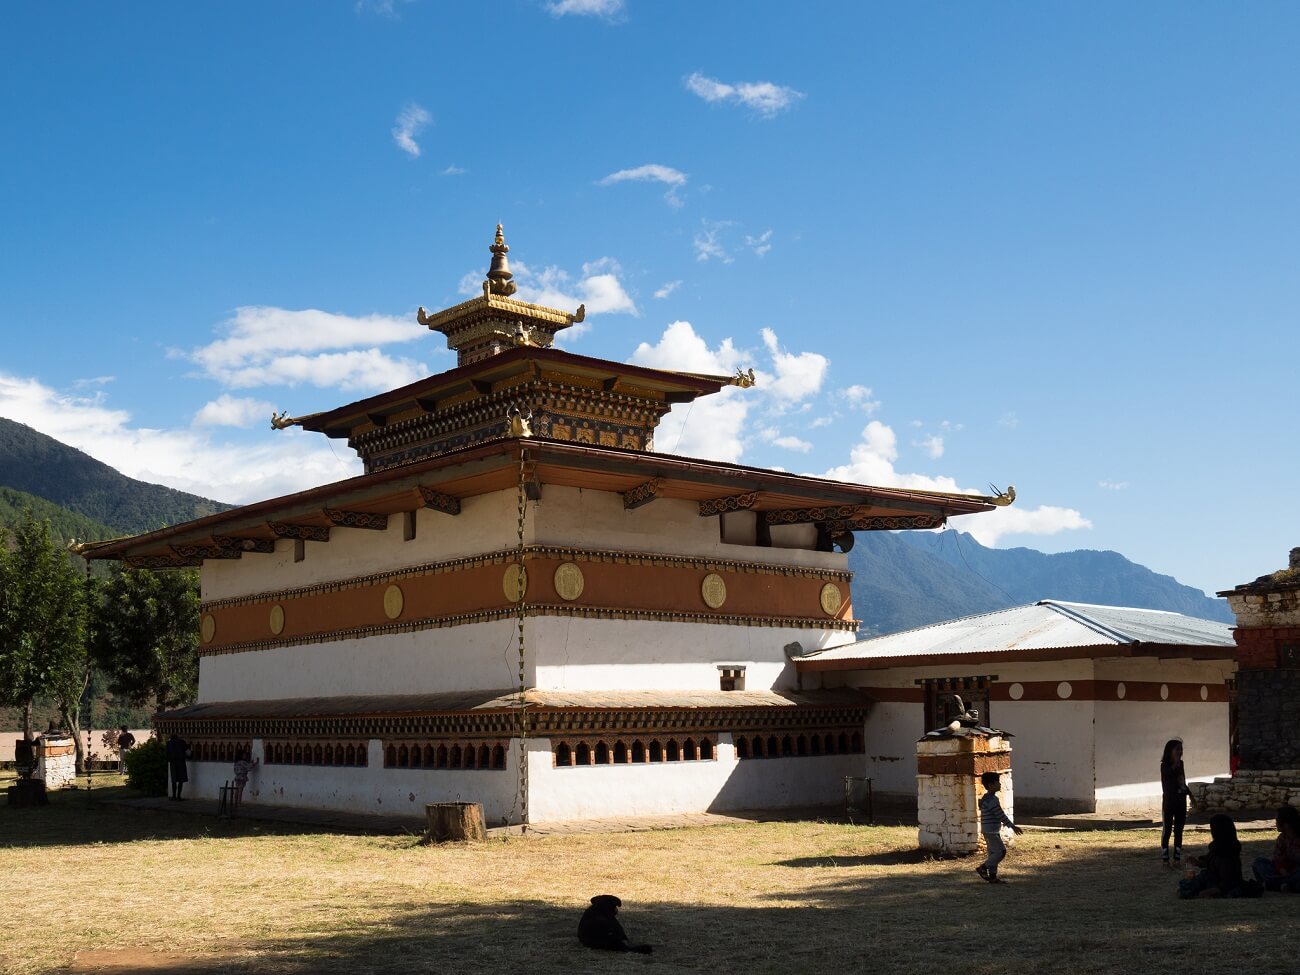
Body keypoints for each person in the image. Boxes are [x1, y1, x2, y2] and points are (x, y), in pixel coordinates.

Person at [1179, 814, 1243, 899]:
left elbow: (1227, 881)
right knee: (1184, 885)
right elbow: (1208, 862)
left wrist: (1210, 891)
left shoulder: (1227, 852)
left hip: (1220, 884)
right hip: (1211, 879)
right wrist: (1197, 862)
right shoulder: (1217, 846)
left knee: (1186, 890)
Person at [975, 771, 1023, 884]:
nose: (1000, 785)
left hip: (988, 830)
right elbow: (1000, 815)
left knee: (993, 853)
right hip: (991, 831)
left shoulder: (986, 798)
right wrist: (1012, 826)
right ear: (991, 785)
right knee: (1000, 852)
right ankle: (983, 867)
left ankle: (992, 877)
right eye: (998, 782)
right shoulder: (992, 800)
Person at [577, 895, 652, 954]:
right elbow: (618, 932)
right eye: (615, 907)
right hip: (605, 943)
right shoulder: (607, 918)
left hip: (587, 941)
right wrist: (623, 941)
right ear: (611, 906)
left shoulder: (590, 913)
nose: (616, 910)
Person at [1252, 805, 1300, 892]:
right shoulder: (1282, 838)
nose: (1275, 824)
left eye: (1277, 821)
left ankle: (1274, 885)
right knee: (1259, 863)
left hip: (1296, 872)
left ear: (1286, 825)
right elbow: (1277, 859)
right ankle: (1285, 885)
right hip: (1284, 872)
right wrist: (1283, 871)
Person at [1160, 738, 1189, 864]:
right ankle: (1165, 856)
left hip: (1180, 801)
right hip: (1169, 802)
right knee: (1167, 830)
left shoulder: (1181, 764)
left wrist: (1189, 795)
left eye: (1181, 749)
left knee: (1179, 829)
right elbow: (1170, 774)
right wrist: (1176, 762)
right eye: (1177, 749)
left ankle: (1177, 856)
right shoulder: (1164, 766)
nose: (1180, 752)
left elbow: (1182, 780)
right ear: (1170, 751)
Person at [165, 733, 190, 801]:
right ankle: (178, 796)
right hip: (181, 763)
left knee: (174, 780)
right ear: (177, 737)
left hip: (173, 763)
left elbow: (167, 754)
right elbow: (188, 752)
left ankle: (173, 796)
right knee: (180, 780)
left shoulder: (168, 743)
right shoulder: (182, 742)